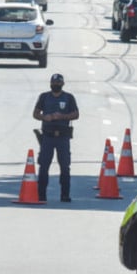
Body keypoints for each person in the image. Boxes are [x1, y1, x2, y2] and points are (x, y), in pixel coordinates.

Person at [32, 73, 80, 203]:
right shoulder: (44, 97)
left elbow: (76, 114)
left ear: (62, 84)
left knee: (65, 166)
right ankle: (41, 195)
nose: (55, 85)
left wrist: (62, 116)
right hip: (47, 136)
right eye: (53, 83)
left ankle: (65, 195)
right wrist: (44, 117)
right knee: (43, 166)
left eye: (58, 83)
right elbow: (35, 113)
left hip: (63, 137)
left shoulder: (69, 97)